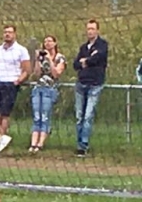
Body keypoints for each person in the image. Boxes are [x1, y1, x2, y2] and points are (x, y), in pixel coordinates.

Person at [0, 25, 29, 138]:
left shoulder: (21, 50)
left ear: (14, 34)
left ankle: (1, 138)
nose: (7, 34)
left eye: (10, 32)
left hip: (10, 82)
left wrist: (18, 81)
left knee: (4, 113)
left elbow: (26, 69)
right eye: (5, 32)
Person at [73, 19, 108, 157]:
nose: (90, 31)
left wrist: (86, 60)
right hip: (81, 83)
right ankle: (78, 143)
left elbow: (97, 59)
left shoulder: (102, 45)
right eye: (88, 29)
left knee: (88, 116)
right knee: (79, 116)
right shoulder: (83, 47)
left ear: (97, 30)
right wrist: (86, 60)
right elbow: (75, 64)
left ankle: (83, 145)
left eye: (92, 29)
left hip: (95, 84)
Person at [29, 36, 66, 153]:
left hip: (50, 89)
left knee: (44, 116)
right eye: (45, 41)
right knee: (37, 116)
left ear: (55, 43)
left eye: (50, 41)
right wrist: (37, 60)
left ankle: (40, 143)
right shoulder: (41, 57)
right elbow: (36, 74)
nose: (47, 43)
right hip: (38, 87)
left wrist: (50, 60)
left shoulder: (60, 58)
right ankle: (33, 143)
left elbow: (56, 74)